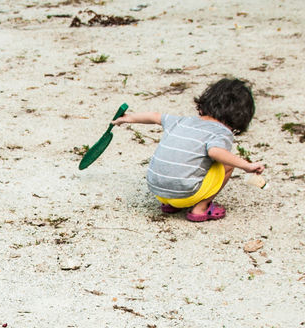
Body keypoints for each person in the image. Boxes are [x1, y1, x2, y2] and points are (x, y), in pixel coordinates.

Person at [112, 78, 264, 222]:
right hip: (185, 195)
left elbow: (155, 116)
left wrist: (127, 118)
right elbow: (215, 152)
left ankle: (170, 205)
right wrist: (246, 166)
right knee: (227, 164)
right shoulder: (221, 132)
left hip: (157, 190)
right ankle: (201, 208)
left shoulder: (182, 121)